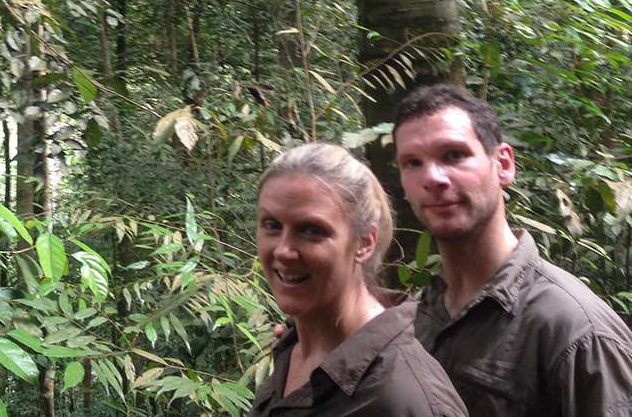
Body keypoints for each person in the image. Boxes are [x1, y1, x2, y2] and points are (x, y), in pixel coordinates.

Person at [394, 84, 632, 416]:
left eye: (454, 155)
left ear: (503, 164)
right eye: (412, 163)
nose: (433, 178)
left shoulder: (576, 330)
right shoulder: (415, 317)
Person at [248, 142, 465, 416]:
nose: (283, 251)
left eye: (312, 230)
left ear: (365, 242)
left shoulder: (405, 397)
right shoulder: (293, 349)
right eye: (271, 225)